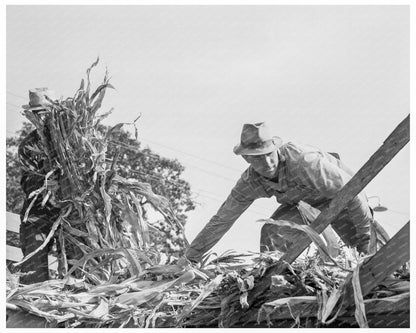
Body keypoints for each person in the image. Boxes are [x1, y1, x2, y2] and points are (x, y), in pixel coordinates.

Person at [185, 122, 378, 263]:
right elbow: (222, 219)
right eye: (258, 158)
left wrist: (364, 238)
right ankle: (277, 278)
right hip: (306, 208)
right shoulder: (250, 182)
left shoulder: (305, 162)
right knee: (273, 231)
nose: (267, 163)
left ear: (275, 149)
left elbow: (351, 192)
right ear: (246, 159)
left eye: (269, 155)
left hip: (344, 202)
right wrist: (190, 258)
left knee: (364, 257)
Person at [18, 88, 61, 284]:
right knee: (33, 273)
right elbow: (27, 182)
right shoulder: (27, 146)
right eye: (36, 113)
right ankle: (31, 309)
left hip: (72, 214)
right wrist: (44, 182)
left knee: (80, 268)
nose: (40, 117)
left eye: (44, 112)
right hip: (38, 214)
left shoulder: (71, 141)